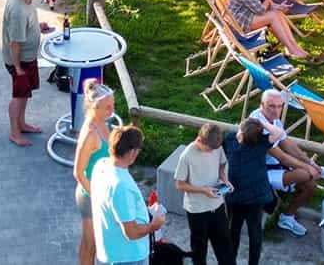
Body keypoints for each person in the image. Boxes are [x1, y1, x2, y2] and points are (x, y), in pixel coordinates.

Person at [249, 88, 324, 237]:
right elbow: (282, 156)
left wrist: (311, 163)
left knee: (311, 184)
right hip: (259, 171)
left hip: (275, 166)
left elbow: (287, 143)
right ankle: (286, 195)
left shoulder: (273, 119)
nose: (276, 110)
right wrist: (308, 168)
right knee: (305, 174)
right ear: (261, 105)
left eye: (279, 106)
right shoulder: (257, 124)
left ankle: (287, 217)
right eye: (271, 106)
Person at [91, 125, 164, 265]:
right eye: (138, 150)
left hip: (110, 250)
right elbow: (131, 233)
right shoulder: (121, 186)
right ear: (131, 152)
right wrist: (154, 225)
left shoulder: (101, 165)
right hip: (128, 256)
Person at [227, 0, 324, 64]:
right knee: (273, 17)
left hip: (250, 14)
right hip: (239, 22)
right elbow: (261, 10)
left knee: (277, 13)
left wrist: (277, 6)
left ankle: (294, 48)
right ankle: (292, 50)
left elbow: (265, 4)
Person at [175, 122, 237, 265]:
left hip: (217, 205)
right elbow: (179, 184)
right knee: (199, 248)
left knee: (224, 244)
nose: (211, 152)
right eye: (208, 149)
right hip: (197, 209)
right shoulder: (186, 156)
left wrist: (225, 180)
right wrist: (203, 190)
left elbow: (221, 165)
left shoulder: (217, 147)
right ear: (200, 139)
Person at [72, 80, 117, 265]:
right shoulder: (91, 133)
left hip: (102, 193)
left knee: (97, 242)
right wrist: (96, 196)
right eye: (107, 107)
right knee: (90, 243)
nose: (111, 110)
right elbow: (78, 172)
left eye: (112, 105)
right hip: (90, 195)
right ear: (94, 108)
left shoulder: (103, 123)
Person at [225, 118, 276, 265]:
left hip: (244, 196)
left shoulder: (234, 139)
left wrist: (262, 123)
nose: (239, 136)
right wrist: (263, 124)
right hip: (247, 195)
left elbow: (279, 133)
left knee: (245, 231)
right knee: (242, 230)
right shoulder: (258, 142)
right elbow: (278, 133)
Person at [3, 0, 45, 146]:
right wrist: (18, 68)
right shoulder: (18, 12)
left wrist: (36, 27)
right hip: (21, 61)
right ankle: (14, 132)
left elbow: (24, 26)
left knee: (25, 93)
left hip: (28, 57)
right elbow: (14, 43)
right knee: (19, 95)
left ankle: (22, 124)